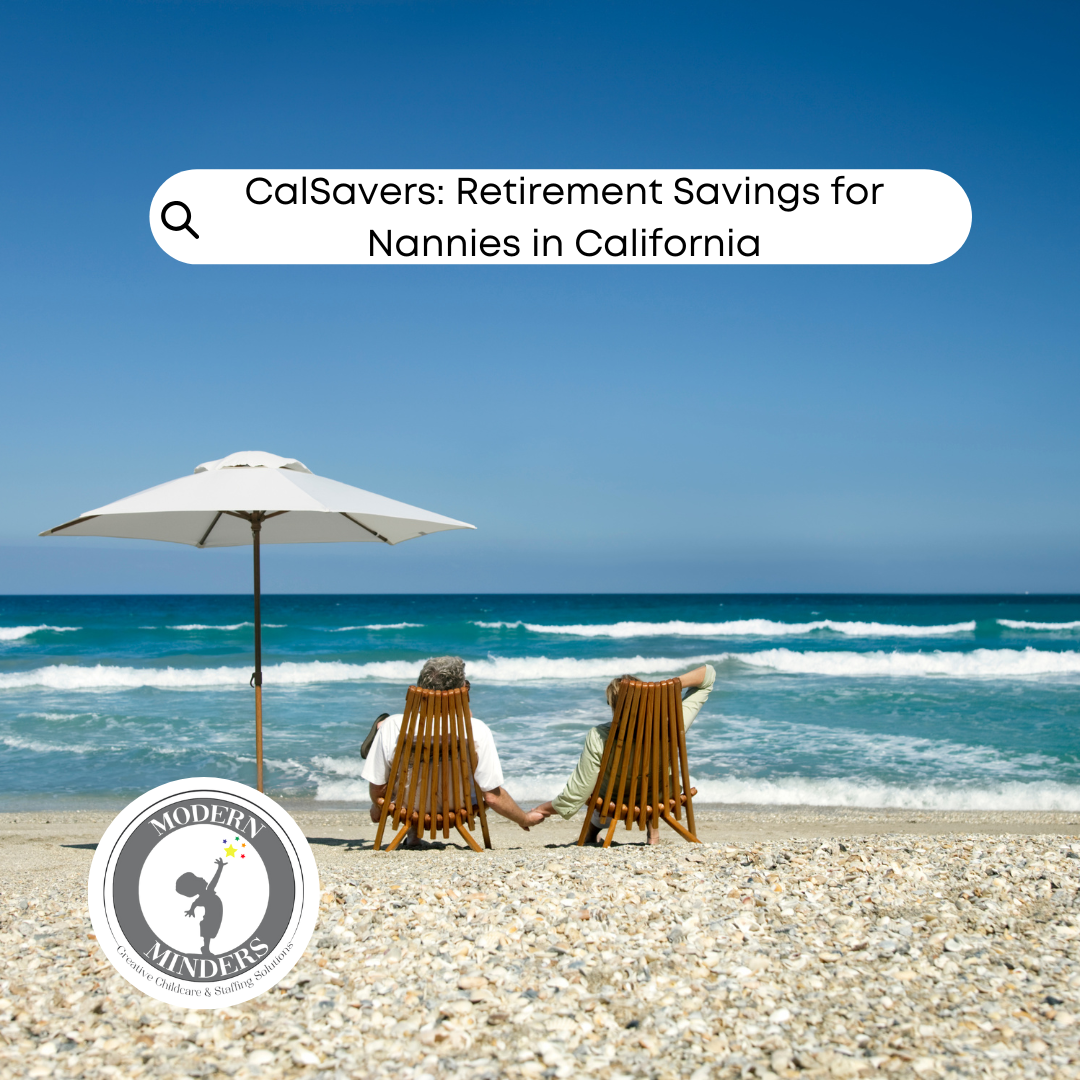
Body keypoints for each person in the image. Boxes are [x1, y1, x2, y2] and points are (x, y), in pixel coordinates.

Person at [526, 664, 716, 844]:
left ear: (613, 705)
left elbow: (578, 793)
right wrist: (661, 689)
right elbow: (708, 675)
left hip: (615, 801)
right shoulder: (672, 724)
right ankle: (653, 832)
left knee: (598, 784)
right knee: (650, 779)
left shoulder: (599, 735)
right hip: (660, 798)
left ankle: (592, 833)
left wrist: (543, 809)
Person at [360, 655, 534, 846]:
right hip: (459, 807)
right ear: (460, 693)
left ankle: (378, 727)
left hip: (406, 807)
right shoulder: (476, 730)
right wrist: (524, 819)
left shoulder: (394, 725)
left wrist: (379, 805)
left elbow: (377, 790)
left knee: (391, 741)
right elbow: (492, 797)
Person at [176, 857, 226, 956]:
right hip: (210, 918)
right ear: (195, 886)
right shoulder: (208, 893)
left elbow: (195, 903)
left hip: (214, 917)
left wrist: (191, 910)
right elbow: (215, 880)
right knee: (209, 933)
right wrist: (220, 868)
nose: (201, 878)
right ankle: (205, 949)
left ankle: (205, 948)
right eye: (198, 879)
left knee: (210, 933)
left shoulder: (204, 896)